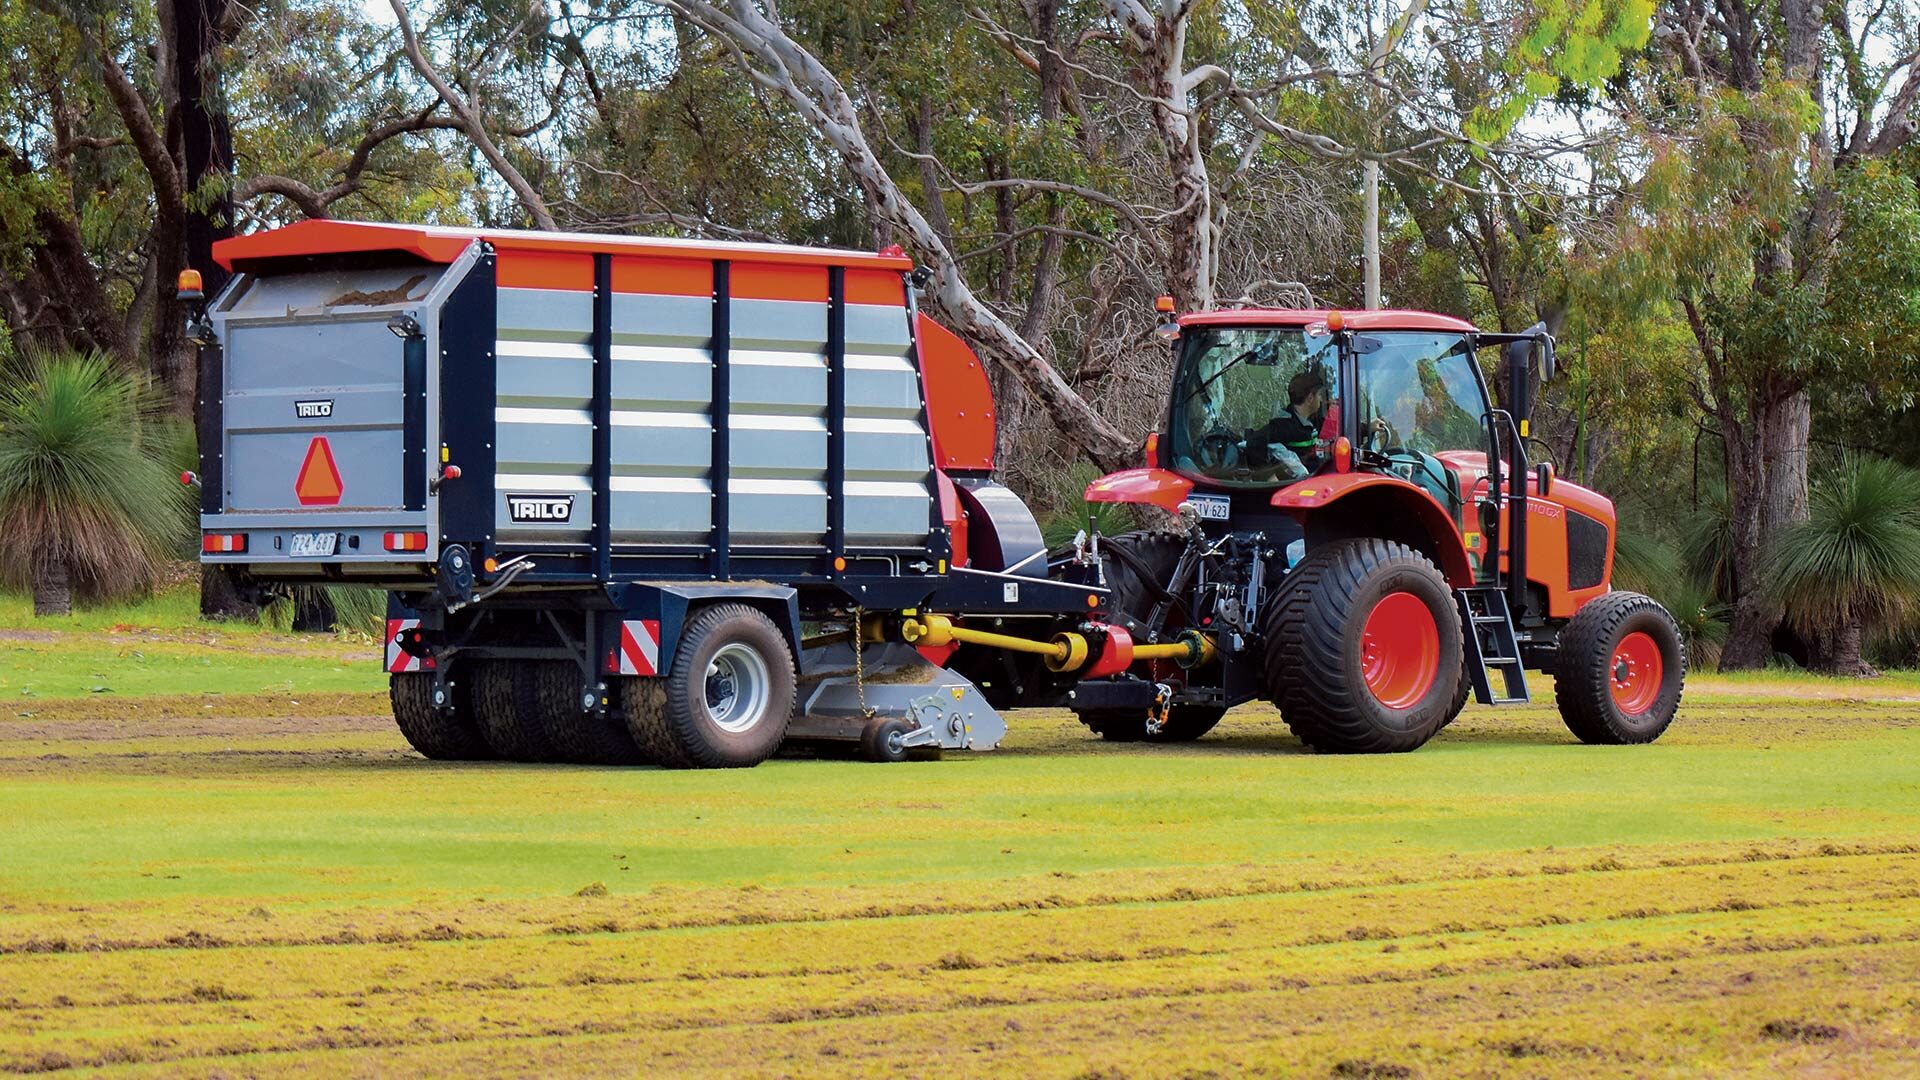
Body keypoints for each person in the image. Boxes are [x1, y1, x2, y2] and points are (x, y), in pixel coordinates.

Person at [1249, 368, 1330, 471]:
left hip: (1314, 476)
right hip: (1293, 483)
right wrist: (1269, 476)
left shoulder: (1315, 420)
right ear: (1310, 398)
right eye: (1319, 395)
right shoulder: (1282, 425)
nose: (1321, 399)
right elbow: (1253, 443)